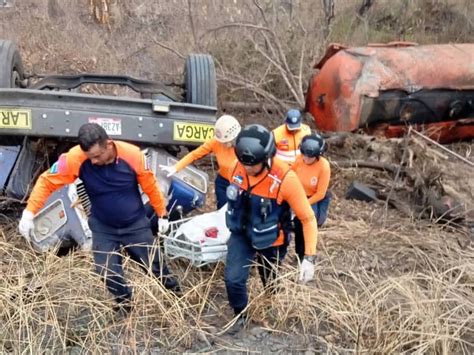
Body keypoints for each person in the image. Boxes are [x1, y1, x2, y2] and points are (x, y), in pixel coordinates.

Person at [18, 123, 178, 312]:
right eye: (89, 157)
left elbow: (150, 185)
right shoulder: (75, 159)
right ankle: (124, 304)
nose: (93, 161)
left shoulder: (132, 155)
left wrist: (162, 215)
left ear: (108, 145)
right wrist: (29, 214)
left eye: (96, 156)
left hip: (135, 225)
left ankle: (176, 297)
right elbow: (46, 181)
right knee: (107, 271)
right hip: (103, 228)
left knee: (155, 266)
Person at [224, 124, 318, 333]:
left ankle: (271, 299)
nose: (247, 169)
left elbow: (308, 219)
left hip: (272, 238)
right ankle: (241, 314)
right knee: (233, 279)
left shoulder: (286, 179)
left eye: (253, 165)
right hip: (241, 233)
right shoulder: (236, 167)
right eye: (244, 163)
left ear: (266, 158)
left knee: (269, 276)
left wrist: (309, 257)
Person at [160, 114, 241, 209]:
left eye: (226, 142)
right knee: (223, 210)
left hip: (240, 183)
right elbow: (195, 154)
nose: (223, 144)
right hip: (223, 182)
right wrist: (176, 167)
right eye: (222, 142)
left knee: (239, 210)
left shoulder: (244, 146)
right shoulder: (215, 142)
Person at [291, 133, 331, 261]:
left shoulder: (324, 167)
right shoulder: (298, 159)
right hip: (298, 194)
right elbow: (290, 175)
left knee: (309, 223)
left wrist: (303, 204)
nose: (306, 159)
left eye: (310, 157)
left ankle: (308, 255)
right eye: (304, 155)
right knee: (298, 226)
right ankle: (300, 254)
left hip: (313, 197)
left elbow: (321, 193)